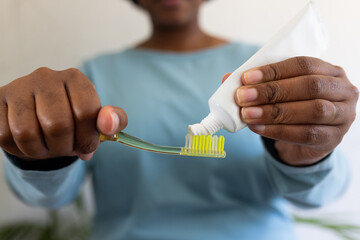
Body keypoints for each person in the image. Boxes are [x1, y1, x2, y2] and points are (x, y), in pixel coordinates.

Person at [1, 0, 358, 239]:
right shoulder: (94, 76)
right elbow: (49, 195)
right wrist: (37, 146)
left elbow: (322, 192)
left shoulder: (266, 71)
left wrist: (309, 153)